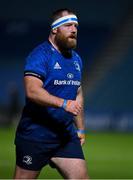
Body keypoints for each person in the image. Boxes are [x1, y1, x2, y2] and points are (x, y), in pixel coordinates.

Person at [13, 8, 89, 179]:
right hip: (36, 135)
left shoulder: (76, 59)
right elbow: (32, 91)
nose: (74, 30)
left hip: (65, 136)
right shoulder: (40, 55)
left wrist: (81, 129)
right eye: (69, 25)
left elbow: (77, 93)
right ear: (55, 29)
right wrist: (63, 103)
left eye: (76, 26)